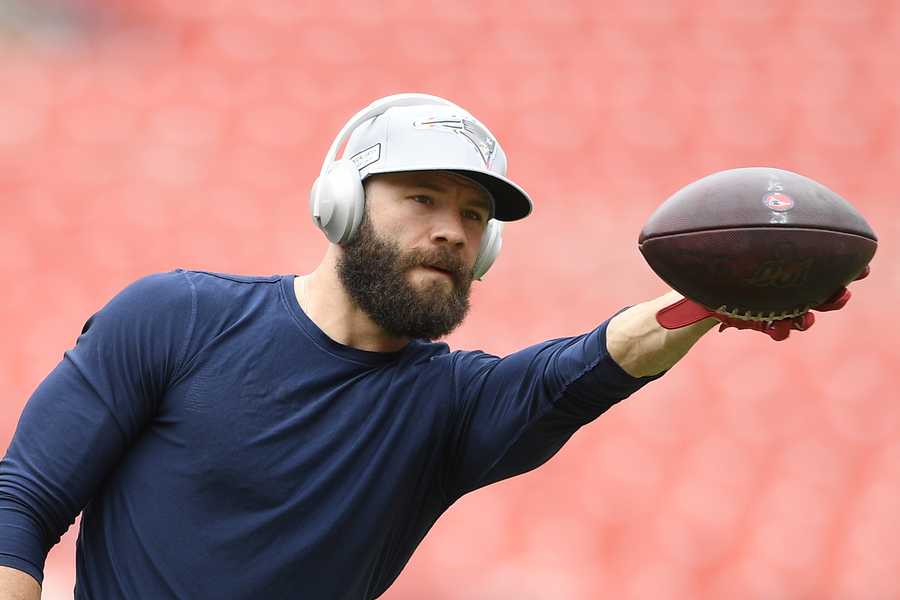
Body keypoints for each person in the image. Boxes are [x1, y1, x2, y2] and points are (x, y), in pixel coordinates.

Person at [0, 94, 860, 599]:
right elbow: (23, 502)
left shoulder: (452, 407)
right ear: (340, 204)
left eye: (475, 217)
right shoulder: (175, 316)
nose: (453, 232)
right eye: (422, 199)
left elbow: (596, 359)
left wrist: (703, 303)